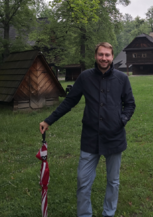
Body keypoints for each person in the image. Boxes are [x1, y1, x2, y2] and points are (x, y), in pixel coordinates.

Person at [39, 42, 136, 217]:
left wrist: (121, 120)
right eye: (101, 54)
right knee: (83, 181)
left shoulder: (122, 79)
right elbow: (70, 101)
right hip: (90, 138)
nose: (104, 58)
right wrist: (49, 120)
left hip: (115, 137)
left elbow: (130, 104)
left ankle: (109, 213)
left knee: (113, 181)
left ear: (112, 57)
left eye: (107, 55)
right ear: (95, 56)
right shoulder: (85, 77)